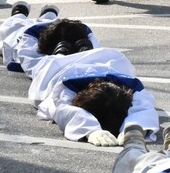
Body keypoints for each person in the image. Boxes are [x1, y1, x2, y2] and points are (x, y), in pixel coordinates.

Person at [31, 49, 159, 146]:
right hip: (61, 66)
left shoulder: (130, 88)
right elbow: (62, 109)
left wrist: (133, 130)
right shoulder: (67, 87)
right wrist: (90, 130)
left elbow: (143, 106)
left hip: (109, 57)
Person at [0, 2, 101, 77]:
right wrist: (59, 56)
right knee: (10, 27)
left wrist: (86, 52)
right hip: (23, 31)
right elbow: (31, 64)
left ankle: (49, 13)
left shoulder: (84, 32)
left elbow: (97, 54)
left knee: (50, 21)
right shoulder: (28, 37)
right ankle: (19, 12)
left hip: (54, 27)